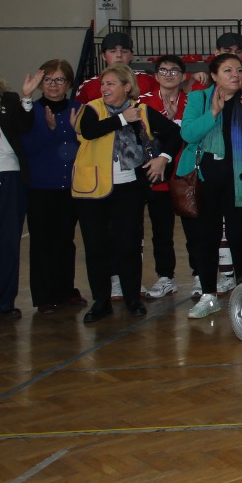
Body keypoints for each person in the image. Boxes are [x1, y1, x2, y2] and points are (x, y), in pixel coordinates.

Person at [74, 63, 171, 322]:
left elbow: (175, 133)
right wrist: (120, 119)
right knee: (96, 248)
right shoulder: (92, 109)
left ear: (126, 87)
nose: (104, 88)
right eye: (103, 84)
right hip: (93, 190)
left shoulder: (142, 111)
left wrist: (163, 157)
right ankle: (101, 301)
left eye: (110, 84)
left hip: (129, 188)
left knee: (129, 246)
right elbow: (89, 131)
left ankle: (132, 299)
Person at [177, 54, 242, 318]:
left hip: (241, 179)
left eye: (239, 70)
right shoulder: (199, 99)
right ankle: (208, 295)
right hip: (205, 180)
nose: (235, 75)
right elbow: (188, 134)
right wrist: (213, 113)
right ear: (215, 76)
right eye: (228, 70)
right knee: (205, 238)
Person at [0, 48, 39, 322]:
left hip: (12, 177)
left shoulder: (9, 98)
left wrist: (26, 98)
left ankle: (5, 301)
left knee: (8, 242)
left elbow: (24, 127)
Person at [21, 59, 86, 312]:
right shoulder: (31, 111)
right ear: (40, 83)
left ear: (68, 83)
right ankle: (44, 297)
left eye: (59, 79)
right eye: (48, 80)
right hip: (40, 188)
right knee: (41, 242)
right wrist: (48, 130)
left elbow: (87, 147)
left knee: (65, 241)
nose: (53, 85)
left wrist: (80, 134)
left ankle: (66, 290)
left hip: (71, 187)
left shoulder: (79, 109)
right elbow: (27, 149)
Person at [140, 54, 196, 299]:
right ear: (156, 76)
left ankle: (199, 275)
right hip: (157, 175)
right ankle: (165, 277)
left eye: (174, 70)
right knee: (161, 230)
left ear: (183, 76)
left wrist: (175, 122)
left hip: (186, 174)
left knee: (193, 229)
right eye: (163, 70)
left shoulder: (194, 101)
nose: (169, 74)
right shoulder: (144, 102)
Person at [73, 31, 156, 103]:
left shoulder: (148, 81)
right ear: (103, 56)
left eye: (124, 51)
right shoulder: (88, 87)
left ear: (131, 55)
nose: (119, 55)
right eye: (113, 51)